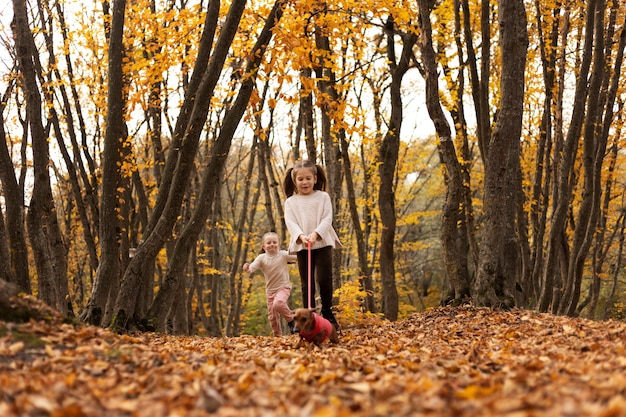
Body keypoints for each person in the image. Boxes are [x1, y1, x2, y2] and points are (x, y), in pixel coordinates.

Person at [283, 159, 342, 328]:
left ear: (315, 179)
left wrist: (316, 234)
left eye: (308, 178)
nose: (305, 182)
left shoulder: (323, 197)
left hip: (322, 243)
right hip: (302, 245)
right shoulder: (291, 202)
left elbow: (327, 218)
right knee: (306, 283)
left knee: (324, 279)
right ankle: (308, 317)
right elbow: (291, 222)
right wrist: (301, 236)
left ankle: (328, 313)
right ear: (295, 181)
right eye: (300, 179)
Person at [243, 232, 297, 336]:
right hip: (270, 291)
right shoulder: (261, 258)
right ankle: (278, 337)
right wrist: (247, 268)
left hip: (283, 287)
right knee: (272, 317)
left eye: (274, 242)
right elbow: (252, 268)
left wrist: (305, 252)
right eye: (269, 243)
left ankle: (291, 321)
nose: (272, 244)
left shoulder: (283, 255)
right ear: (264, 246)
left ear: (279, 244)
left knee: (279, 303)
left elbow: (297, 257)